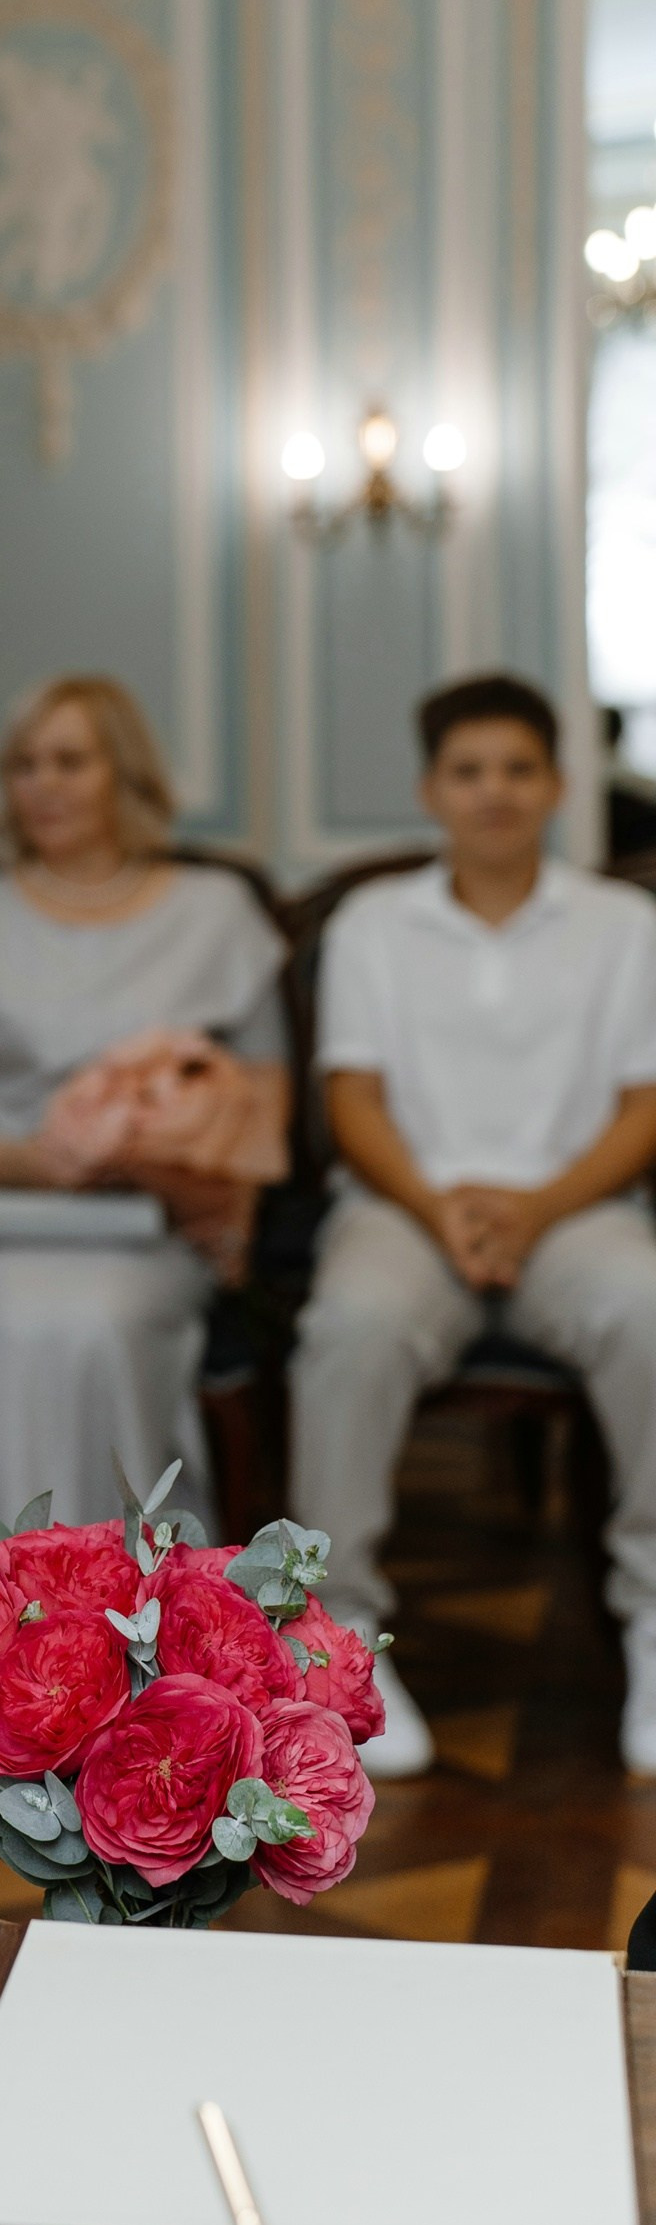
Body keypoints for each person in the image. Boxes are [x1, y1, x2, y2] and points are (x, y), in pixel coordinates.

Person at [289, 671, 656, 1778]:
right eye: (467, 771)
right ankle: (337, 1637)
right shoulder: (369, 923)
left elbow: (644, 1104)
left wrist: (535, 1207)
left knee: (649, 1308)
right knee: (347, 1326)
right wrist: (439, 1207)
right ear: (429, 789)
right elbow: (349, 1097)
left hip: (576, 1207)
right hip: (406, 1206)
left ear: (553, 784)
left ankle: (654, 1624)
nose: (492, 792)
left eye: (515, 769)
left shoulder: (623, 924)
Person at [0, 676, 288, 1574]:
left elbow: (267, 1107)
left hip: (148, 1227)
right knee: (10, 1325)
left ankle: (138, 1610)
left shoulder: (214, 912)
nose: (43, 784)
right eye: (24, 765)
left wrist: (201, 1188)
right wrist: (14, 1160)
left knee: (100, 1323)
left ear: (124, 773)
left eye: (70, 761)